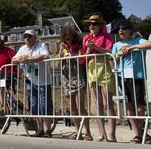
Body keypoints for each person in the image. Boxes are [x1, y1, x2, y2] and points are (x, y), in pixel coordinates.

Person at [112, 20, 151, 143]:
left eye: (124, 28)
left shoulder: (138, 40)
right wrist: (119, 54)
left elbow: (150, 44)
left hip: (137, 76)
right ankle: (138, 134)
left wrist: (133, 47)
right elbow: (112, 58)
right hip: (122, 76)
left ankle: (141, 132)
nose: (121, 31)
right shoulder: (116, 44)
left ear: (130, 31)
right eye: (119, 29)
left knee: (140, 107)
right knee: (129, 105)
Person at [82, 14, 116, 142]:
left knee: (107, 103)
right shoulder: (86, 37)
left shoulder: (106, 36)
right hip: (92, 67)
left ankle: (111, 134)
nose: (91, 26)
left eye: (94, 24)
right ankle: (102, 134)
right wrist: (90, 49)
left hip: (104, 66)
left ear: (100, 26)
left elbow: (109, 51)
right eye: (90, 24)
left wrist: (95, 47)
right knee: (97, 104)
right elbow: (85, 56)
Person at [12, 30, 52, 137]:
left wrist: (29, 58)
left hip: (43, 81)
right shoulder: (22, 48)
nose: (27, 39)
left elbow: (45, 55)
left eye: (29, 36)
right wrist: (21, 59)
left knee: (45, 105)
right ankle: (39, 129)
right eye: (25, 37)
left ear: (35, 37)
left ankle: (47, 130)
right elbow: (13, 60)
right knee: (34, 105)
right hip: (30, 80)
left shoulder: (41, 45)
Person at [58, 26, 92, 141]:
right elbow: (59, 61)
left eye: (68, 37)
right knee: (72, 107)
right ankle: (78, 132)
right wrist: (61, 52)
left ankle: (88, 132)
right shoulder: (62, 46)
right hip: (66, 77)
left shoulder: (78, 45)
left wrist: (73, 54)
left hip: (78, 75)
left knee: (81, 106)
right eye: (65, 37)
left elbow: (82, 60)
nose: (67, 40)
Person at [0, 33, 17, 112]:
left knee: (1, 83)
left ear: (0, 42)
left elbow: (15, 61)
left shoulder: (8, 51)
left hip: (8, 73)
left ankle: (3, 107)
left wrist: (18, 75)